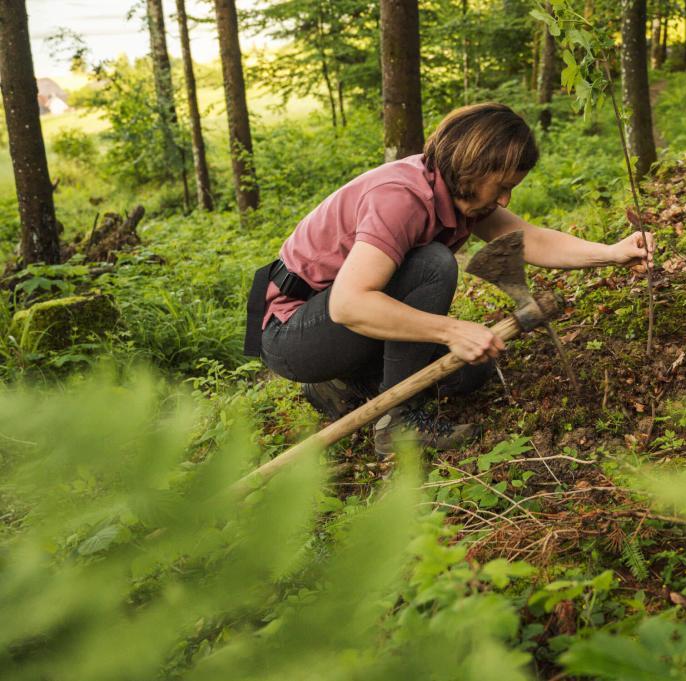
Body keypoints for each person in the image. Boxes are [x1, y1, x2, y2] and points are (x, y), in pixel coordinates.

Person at [245, 103, 653, 456]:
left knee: (470, 373)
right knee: (432, 263)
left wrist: (611, 253)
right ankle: (398, 421)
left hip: (335, 329)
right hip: (293, 335)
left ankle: (342, 385)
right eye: (503, 186)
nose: (506, 199)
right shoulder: (401, 198)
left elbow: (531, 240)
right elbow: (348, 304)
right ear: (473, 168)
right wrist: (451, 330)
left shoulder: (460, 194)